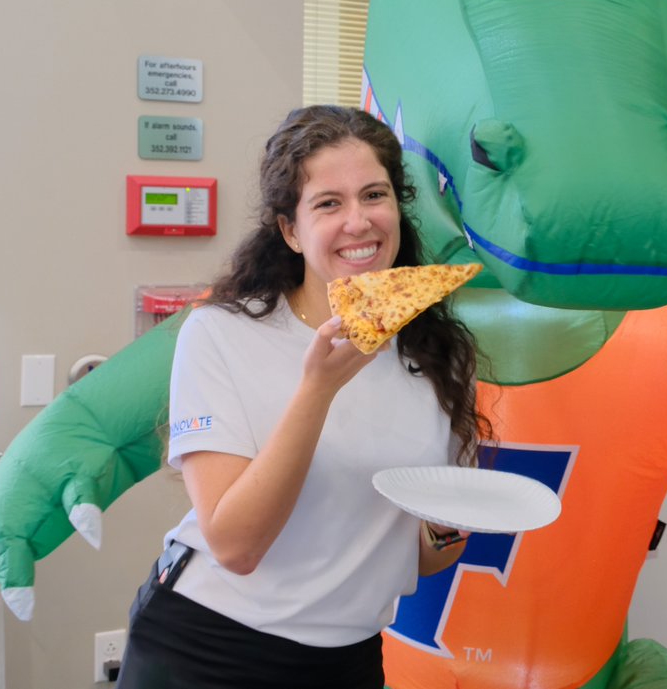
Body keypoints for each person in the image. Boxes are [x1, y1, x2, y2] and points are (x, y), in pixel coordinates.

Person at [117, 105, 492, 689]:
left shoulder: (441, 354)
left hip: (348, 655)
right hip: (209, 645)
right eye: (328, 203)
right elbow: (236, 546)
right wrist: (319, 388)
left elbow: (423, 554)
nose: (359, 221)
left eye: (375, 195)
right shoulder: (222, 333)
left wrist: (465, 515)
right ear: (290, 230)